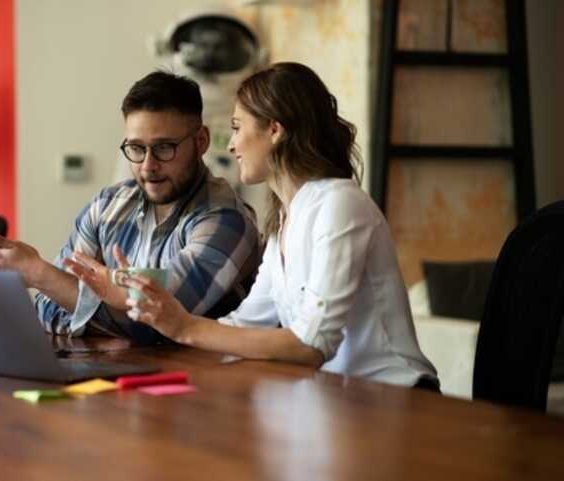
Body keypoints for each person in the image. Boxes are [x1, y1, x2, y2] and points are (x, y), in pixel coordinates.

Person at [100, 62, 439, 389]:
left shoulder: (340, 203)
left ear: (274, 130)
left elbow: (312, 345)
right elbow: (245, 323)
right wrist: (161, 326)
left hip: (398, 398)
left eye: (236, 127)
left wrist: (183, 326)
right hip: (339, 400)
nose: (231, 145)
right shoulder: (284, 220)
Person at [0, 71, 261, 344]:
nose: (148, 166)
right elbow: (48, 307)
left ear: (202, 141)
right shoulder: (107, 206)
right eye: (136, 148)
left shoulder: (226, 221)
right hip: (115, 382)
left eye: (164, 148)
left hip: (197, 390)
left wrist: (40, 274)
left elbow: (157, 325)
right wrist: (102, 309)